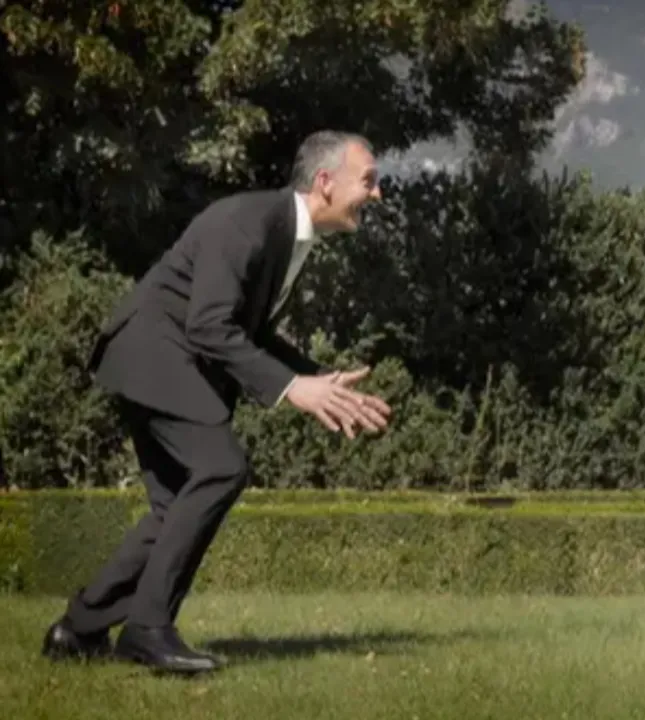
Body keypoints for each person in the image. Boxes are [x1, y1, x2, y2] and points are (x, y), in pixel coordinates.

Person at [41, 131, 392, 674]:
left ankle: (78, 629)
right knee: (221, 468)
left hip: (154, 357)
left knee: (174, 506)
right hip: (152, 353)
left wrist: (316, 377)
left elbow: (249, 331)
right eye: (368, 180)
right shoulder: (249, 223)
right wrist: (292, 388)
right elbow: (208, 325)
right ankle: (147, 630)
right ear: (325, 182)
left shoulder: (287, 234)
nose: (376, 194)